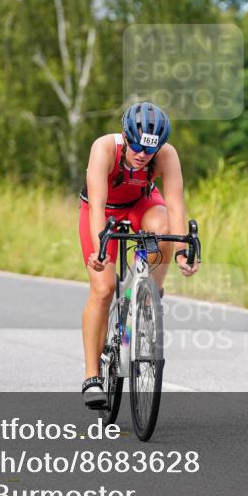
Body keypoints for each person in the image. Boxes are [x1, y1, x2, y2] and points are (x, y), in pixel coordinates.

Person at [78, 101, 199, 408]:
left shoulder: (166, 154)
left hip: (141, 204)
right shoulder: (104, 148)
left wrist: (183, 251)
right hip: (102, 209)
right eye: (136, 148)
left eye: (150, 150)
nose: (143, 155)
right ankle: (92, 375)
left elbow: (174, 204)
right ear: (125, 136)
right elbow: (96, 207)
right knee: (103, 290)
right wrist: (101, 250)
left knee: (163, 230)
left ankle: (147, 289)